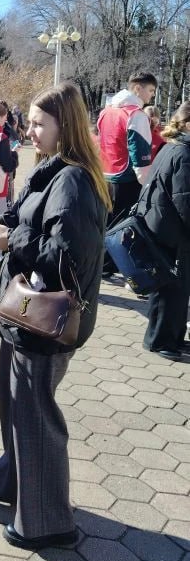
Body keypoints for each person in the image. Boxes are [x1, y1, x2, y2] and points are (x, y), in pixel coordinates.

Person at [0, 81, 110, 550]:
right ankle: (11, 480)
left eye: (36, 123)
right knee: (16, 406)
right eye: (27, 120)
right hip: (24, 314)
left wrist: (12, 242)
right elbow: (29, 220)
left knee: (36, 415)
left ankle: (49, 522)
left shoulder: (72, 179)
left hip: (46, 321)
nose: (26, 129)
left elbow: (69, 257)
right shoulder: (51, 170)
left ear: (63, 126)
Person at [139, 102, 190, 360]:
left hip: (163, 227)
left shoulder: (172, 147)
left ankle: (174, 337)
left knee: (177, 290)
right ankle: (160, 340)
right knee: (171, 290)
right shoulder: (183, 153)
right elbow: (185, 199)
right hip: (170, 232)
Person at [98, 70, 157, 277]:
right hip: (127, 177)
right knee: (123, 226)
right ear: (137, 88)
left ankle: (101, 264)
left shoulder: (107, 111)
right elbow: (139, 152)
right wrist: (147, 183)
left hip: (105, 173)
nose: (151, 96)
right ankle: (110, 266)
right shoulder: (136, 115)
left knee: (106, 222)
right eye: (150, 90)